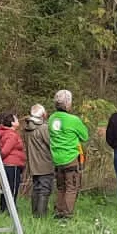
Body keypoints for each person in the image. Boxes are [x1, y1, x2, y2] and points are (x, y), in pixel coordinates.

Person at [47, 90, 91, 219]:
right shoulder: (73, 120)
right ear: (68, 104)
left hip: (56, 158)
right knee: (72, 187)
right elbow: (85, 136)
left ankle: (58, 211)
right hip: (70, 157)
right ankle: (66, 214)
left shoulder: (52, 118)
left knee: (61, 187)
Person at [22, 105, 56, 217]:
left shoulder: (26, 127)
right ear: (42, 115)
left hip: (33, 163)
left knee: (36, 188)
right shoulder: (43, 128)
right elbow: (51, 143)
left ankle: (35, 214)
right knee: (44, 190)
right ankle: (41, 216)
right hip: (44, 163)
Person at [0, 113, 27, 212]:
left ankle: (4, 208)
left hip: (10, 165)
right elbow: (5, 151)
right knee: (12, 188)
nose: (18, 122)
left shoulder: (6, 133)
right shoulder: (11, 135)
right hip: (12, 165)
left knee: (7, 187)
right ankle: (10, 210)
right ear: (12, 123)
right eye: (16, 120)